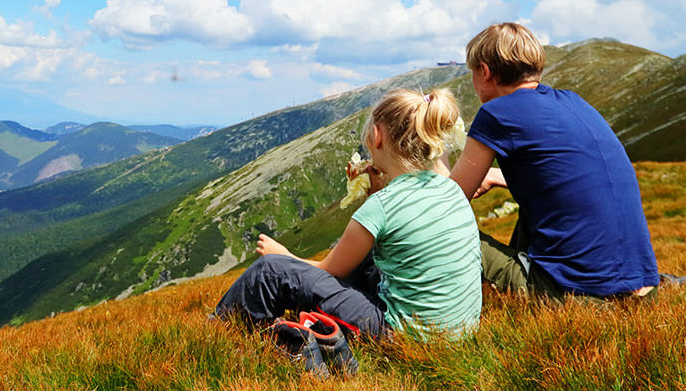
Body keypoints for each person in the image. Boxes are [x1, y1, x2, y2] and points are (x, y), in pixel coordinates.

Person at [214, 87, 482, 341]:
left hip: (400, 337)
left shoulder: (383, 205)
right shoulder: (450, 188)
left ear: (377, 136)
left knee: (270, 271)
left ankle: (213, 334)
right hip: (460, 333)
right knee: (367, 259)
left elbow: (328, 270)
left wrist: (282, 254)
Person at [447, 23, 660, 298]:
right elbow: (566, 175)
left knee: (442, 234)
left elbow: (447, 204)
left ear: (485, 72)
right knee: (532, 211)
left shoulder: (497, 113)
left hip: (577, 296)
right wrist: (498, 177)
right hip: (644, 291)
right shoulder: (574, 101)